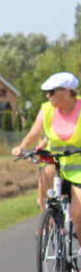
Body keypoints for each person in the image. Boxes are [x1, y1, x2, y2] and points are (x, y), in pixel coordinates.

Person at [12, 72, 81, 233]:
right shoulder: (47, 110)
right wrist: (22, 147)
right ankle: (48, 217)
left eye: (51, 92)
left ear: (65, 91)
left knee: (78, 216)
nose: (47, 95)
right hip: (55, 162)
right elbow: (34, 133)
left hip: (78, 168)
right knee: (45, 173)